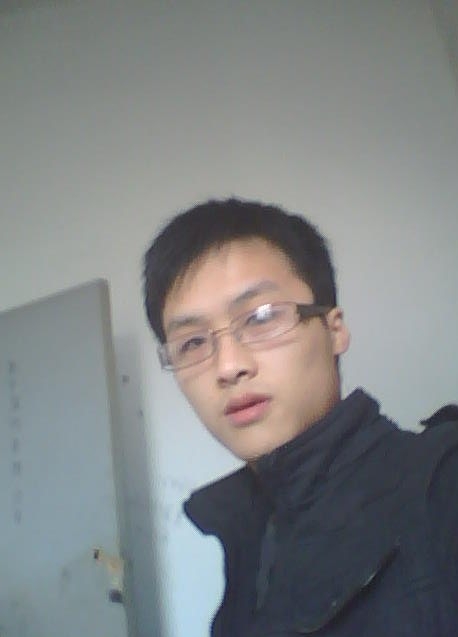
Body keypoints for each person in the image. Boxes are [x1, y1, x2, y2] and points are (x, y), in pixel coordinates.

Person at [143, 198, 458, 637]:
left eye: (261, 318)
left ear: (334, 330)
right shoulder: (245, 534)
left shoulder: (443, 485)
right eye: (192, 343)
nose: (228, 366)